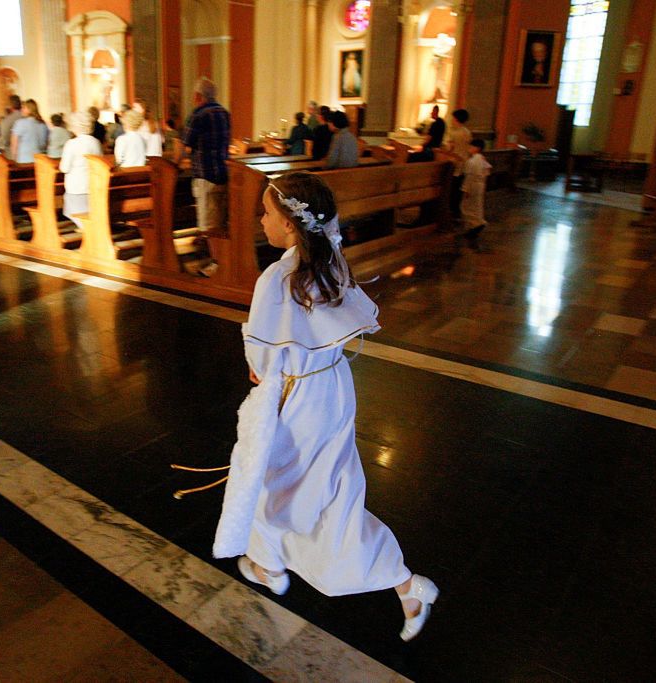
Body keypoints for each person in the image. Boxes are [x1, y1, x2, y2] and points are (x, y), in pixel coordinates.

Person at [209, 171, 438, 643]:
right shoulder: (326, 255)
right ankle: (269, 563)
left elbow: (264, 357)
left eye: (267, 213)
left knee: (296, 490)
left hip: (299, 398)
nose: (261, 220)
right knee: (305, 486)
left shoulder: (278, 276)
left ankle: (402, 582)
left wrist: (261, 368)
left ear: (291, 225)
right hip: (331, 387)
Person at [183, 77, 230, 276]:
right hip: (223, 173)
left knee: (209, 225)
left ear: (198, 96)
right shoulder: (224, 113)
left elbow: (186, 144)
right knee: (219, 221)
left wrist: (179, 160)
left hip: (205, 174)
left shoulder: (198, 114)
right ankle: (220, 261)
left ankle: (216, 265)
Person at [59, 111, 103, 229]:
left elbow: (64, 168)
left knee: (78, 217)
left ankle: (88, 237)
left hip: (76, 187)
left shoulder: (72, 144)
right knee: (90, 216)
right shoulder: (96, 142)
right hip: (92, 186)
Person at [461, 138, 492, 247]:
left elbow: (469, 177)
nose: (469, 149)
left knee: (466, 207)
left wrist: (465, 190)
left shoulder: (472, 161)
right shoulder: (482, 159)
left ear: (476, 148)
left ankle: (477, 224)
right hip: (480, 185)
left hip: (472, 185)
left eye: (471, 147)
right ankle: (473, 228)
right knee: (477, 206)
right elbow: (487, 172)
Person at [445, 109, 471, 219]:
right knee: (459, 190)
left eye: (453, 118)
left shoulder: (454, 133)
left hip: (454, 164)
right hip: (464, 164)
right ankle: (457, 212)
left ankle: (450, 211)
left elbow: (449, 148)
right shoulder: (467, 132)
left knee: (452, 189)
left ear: (456, 118)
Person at [9, 99, 49, 163]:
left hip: (24, 161)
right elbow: (46, 143)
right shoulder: (43, 124)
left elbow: (14, 144)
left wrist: (14, 158)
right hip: (39, 161)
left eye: (24, 108)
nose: (21, 110)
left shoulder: (20, 123)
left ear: (30, 109)